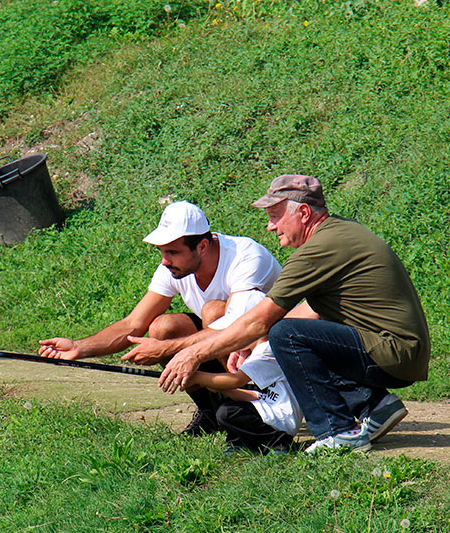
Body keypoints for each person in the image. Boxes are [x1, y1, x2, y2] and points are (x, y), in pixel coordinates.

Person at [159, 174, 430, 454]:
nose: (269, 226)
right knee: (286, 332)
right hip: (400, 350)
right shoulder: (340, 233)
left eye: (275, 216)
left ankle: (337, 431)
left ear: (303, 212)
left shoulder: (319, 249)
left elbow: (262, 319)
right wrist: (253, 343)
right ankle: (373, 405)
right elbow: (310, 310)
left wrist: (193, 355)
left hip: (393, 352)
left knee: (286, 335)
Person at [38, 200, 281, 434]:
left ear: (202, 247)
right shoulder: (174, 265)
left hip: (270, 342)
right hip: (224, 340)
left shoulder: (245, 256)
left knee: (214, 312)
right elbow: (133, 324)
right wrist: (79, 347)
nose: (165, 261)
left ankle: (250, 409)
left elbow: (235, 327)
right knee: (162, 327)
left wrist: (165, 349)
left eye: (173, 252)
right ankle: (211, 412)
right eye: (162, 252)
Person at [184, 292, 299, 454]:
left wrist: (197, 377)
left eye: (237, 330)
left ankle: (280, 443)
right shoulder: (252, 351)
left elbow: (236, 381)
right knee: (220, 394)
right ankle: (239, 442)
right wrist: (217, 387)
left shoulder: (268, 349)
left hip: (280, 418)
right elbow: (254, 395)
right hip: (265, 406)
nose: (233, 335)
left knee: (229, 411)